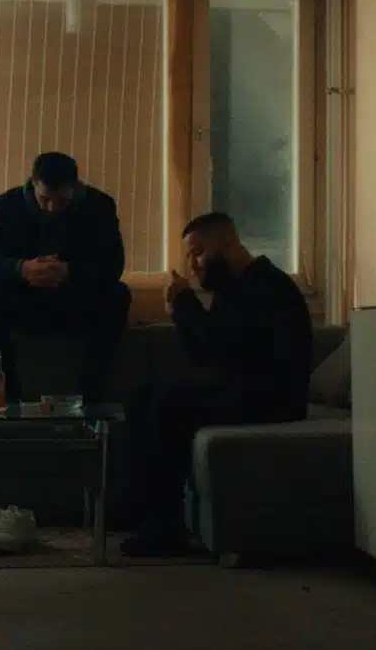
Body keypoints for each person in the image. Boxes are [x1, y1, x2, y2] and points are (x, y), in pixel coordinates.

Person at [121, 212, 313, 558]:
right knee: (140, 397)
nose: (193, 264)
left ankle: (166, 528)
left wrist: (184, 302)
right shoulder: (233, 287)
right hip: (243, 391)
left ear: (227, 244)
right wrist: (180, 309)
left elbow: (218, 347)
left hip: (273, 399)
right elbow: (206, 356)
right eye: (189, 256)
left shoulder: (267, 286)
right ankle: (144, 514)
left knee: (167, 406)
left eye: (198, 252)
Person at [0, 152, 131, 405]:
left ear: (75, 188)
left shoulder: (99, 206)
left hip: (75, 302)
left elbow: (113, 266)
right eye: (44, 199)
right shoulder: (8, 205)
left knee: (118, 295)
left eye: (62, 201)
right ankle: (8, 396)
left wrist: (69, 272)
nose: (52, 208)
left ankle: (92, 397)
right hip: (25, 302)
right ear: (33, 184)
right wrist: (22, 269)